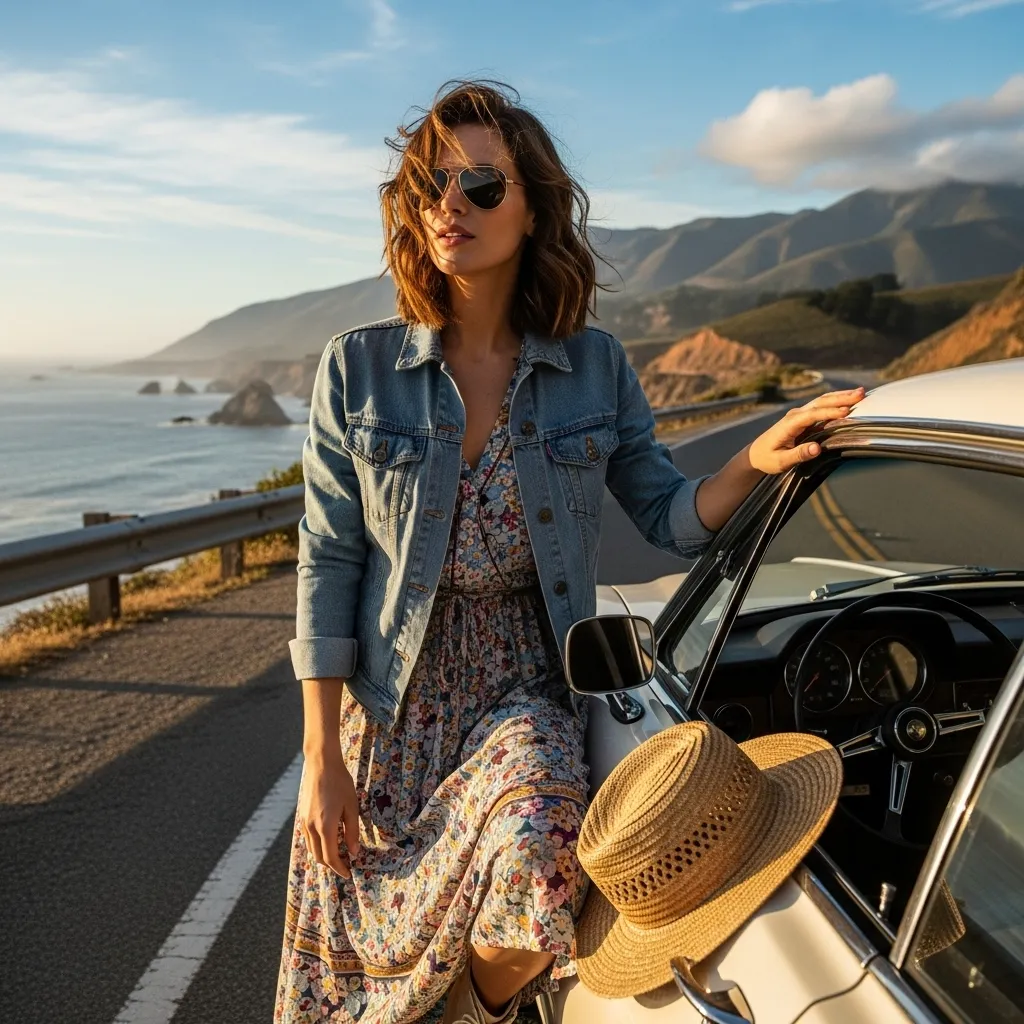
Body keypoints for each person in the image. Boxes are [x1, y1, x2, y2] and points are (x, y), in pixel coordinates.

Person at [274, 79, 863, 1024]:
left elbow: (670, 513)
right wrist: (320, 757)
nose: (449, 206)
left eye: (479, 185)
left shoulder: (595, 366)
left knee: (541, 856)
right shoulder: (358, 369)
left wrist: (755, 458)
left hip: (524, 688)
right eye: (432, 184)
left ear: (534, 205)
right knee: (354, 973)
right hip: (394, 707)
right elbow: (330, 558)